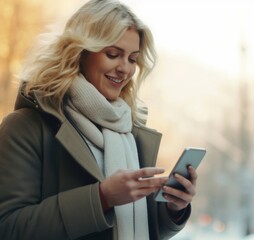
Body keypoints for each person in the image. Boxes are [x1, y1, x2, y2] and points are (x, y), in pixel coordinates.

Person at [0, 0, 198, 239]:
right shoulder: (25, 127)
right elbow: (8, 227)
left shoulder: (130, 133)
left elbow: (137, 227)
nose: (125, 69)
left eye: (133, 59)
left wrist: (173, 209)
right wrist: (101, 198)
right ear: (80, 53)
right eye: (113, 54)